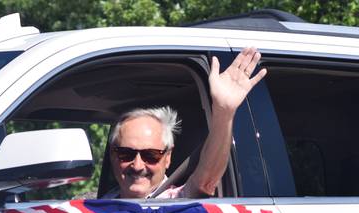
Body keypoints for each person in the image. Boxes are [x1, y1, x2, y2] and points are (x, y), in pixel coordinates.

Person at [106, 47, 266, 199]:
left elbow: (205, 182)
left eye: (151, 155)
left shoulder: (175, 202)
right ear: (113, 155)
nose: (138, 165)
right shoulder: (104, 202)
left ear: (168, 158)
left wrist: (224, 111)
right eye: (126, 154)